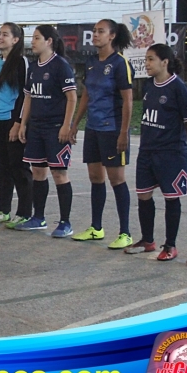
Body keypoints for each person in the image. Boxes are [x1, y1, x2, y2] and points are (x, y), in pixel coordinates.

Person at [125, 44, 187, 261]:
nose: (146, 64)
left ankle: (170, 245)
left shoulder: (178, 87)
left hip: (170, 152)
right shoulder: (148, 85)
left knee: (171, 197)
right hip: (147, 149)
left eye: (151, 59)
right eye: (146, 59)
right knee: (144, 195)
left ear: (165, 62)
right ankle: (148, 240)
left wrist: (177, 139)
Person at [70, 19, 135, 249]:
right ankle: (96, 228)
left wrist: (124, 132)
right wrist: (75, 123)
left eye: (100, 31)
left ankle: (125, 232)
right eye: (94, 31)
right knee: (95, 178)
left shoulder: (120, 64)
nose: (95, 35)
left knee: (117, 179)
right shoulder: (90, 63)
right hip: (94, 128)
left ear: (112, 36)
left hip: (112, 128)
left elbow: (128, 101)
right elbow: (86, 94)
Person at [17, 25, 77, 237]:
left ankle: (65, 222)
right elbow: (28, 97)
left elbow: (71, 97)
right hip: (36, 127)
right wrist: (23, 124)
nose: (32, 41)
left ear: (49, 41)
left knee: (59, 173)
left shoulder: (61, 66)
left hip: (55, 128)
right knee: (38, 172)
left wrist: (66, 125)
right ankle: (38, 217)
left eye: (37, 38)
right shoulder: (33, 68)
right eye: (32, 38)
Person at [0, 23, 32, 229]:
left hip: (13, 120)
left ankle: (24, 212)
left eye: (5, 34)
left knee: (18, 167)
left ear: (16, 39)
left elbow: (25, 94)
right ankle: (3, 210)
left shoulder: (21, 63)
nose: (0, 37)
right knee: (3, 168)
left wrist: (18, 123)